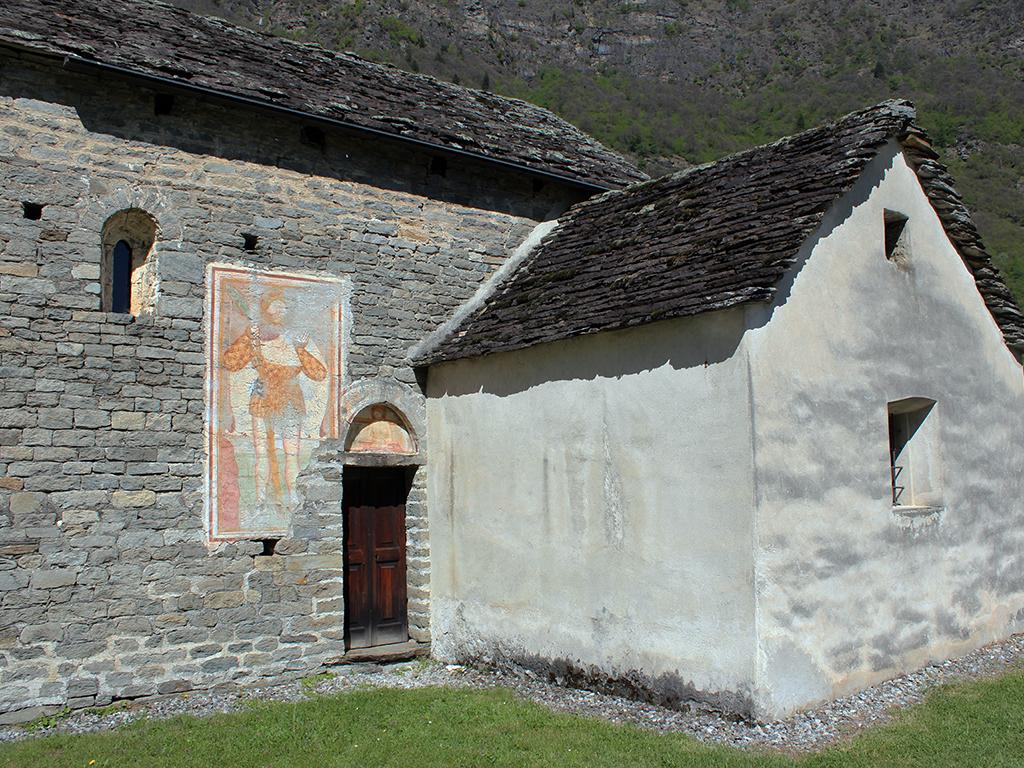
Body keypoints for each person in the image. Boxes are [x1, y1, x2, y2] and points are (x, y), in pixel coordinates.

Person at [222, 287, 327, 509]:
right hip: (262, 396)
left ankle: (293, 497)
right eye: (276, 304)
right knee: (261, 453)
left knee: (291, 454)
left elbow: (319, 373)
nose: (281, 309)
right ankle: (261, 498)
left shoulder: (297, 337)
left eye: (284, 306)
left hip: (290, 398)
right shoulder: (256, 335)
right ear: (266, 308)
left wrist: (300, 349)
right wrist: (248, 338)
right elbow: (231, 362)